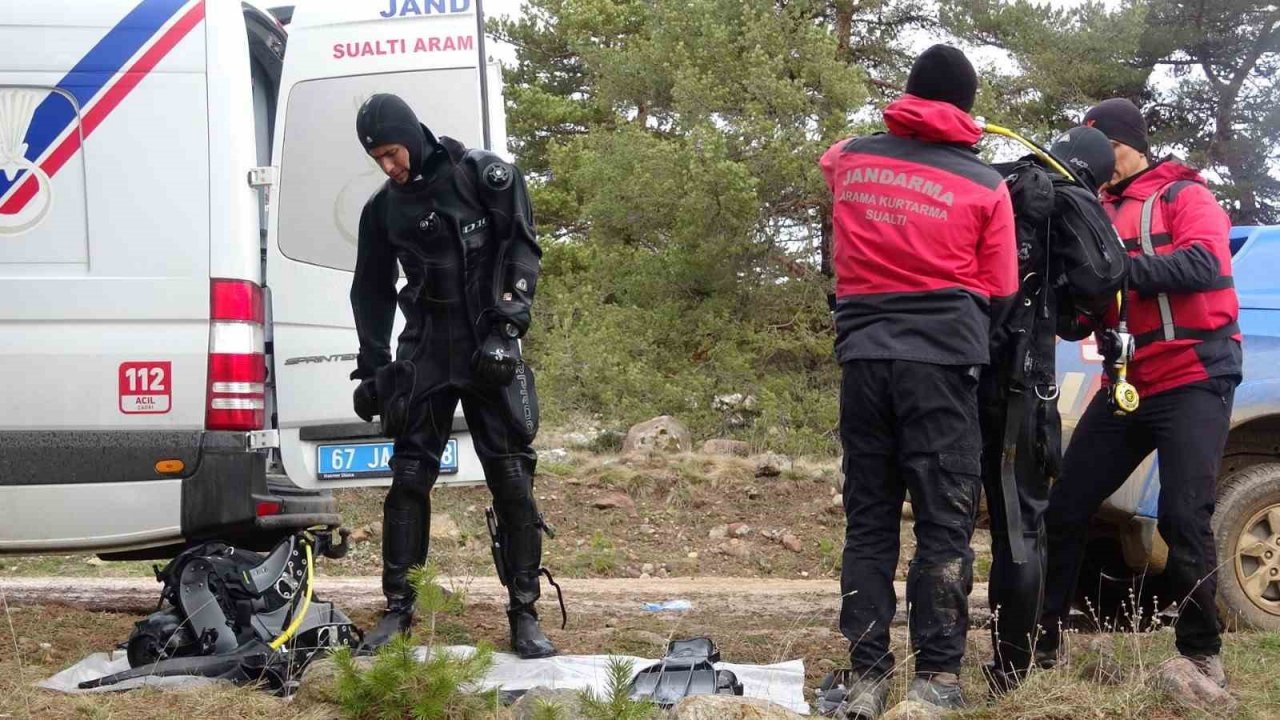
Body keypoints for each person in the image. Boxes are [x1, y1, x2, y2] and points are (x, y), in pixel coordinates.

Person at [819, 45, 1018, 718]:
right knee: (943, 525)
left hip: (865, 364)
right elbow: (1001, 290)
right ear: (966, 108)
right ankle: (937, 679)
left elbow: (834, 156)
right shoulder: (986, 185)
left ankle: (867, 679)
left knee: (869, 521)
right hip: (939, 373)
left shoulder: (850, 159)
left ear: (907, 95)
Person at [1038, 98, 1242, 688]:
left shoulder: (1185, 196)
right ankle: (1042, 640)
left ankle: (1202, 656)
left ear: (1129, 144)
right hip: (1127, 382)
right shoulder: (1089, 208)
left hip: (1195, 376)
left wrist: (1114, 267)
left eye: (1108, 149)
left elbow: (1204, 263)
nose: (1101, 163)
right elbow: (1086, 311)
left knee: (1184, 515)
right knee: (1067, 508)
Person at [348, 93, 557, 659]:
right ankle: (397, 612)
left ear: (411, 135)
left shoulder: (481, 175)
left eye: (391, 152)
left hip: (487, 344)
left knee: (512, 481)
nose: (389, 166)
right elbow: (369, 289)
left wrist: (508, 328)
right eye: (378, 160)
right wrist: (373, 368)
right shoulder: (382, 210)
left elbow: (522, 247)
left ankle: (525, 613)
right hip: (425, 354)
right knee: (409, 481)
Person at [979, 126, 1121, 694]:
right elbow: (1099, 286)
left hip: (961, 373)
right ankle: (1013, 668)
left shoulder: (999, 177)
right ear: (1091, 171)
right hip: (1024, 383)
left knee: (949, 527)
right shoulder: (1062, 201)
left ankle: (933, 665)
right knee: (1022, 527)